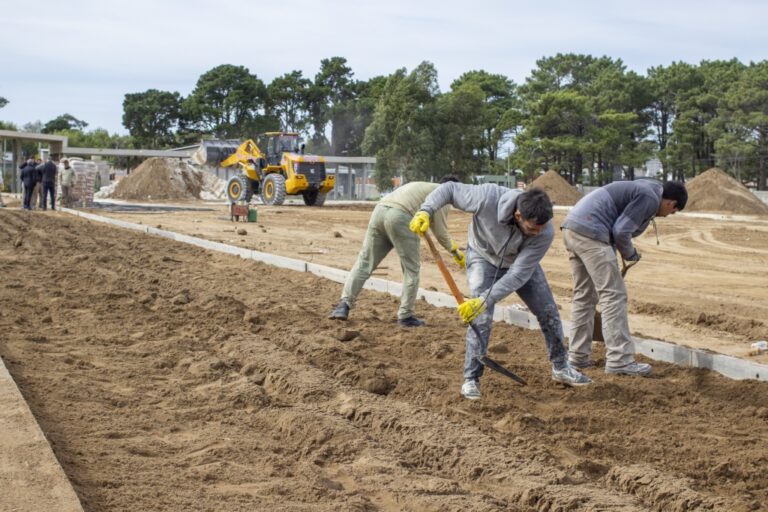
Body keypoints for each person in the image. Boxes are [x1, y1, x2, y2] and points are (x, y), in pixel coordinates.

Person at [411, 184, 591, 400]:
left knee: (548, 311)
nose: (538, 232)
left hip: (519, 265)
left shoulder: (545, 232)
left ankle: (561, 367)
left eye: (542, 227)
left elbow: (517, 276)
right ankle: (471, 379)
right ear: (518, 215)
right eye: (533, 228)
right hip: (482, 256)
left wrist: (484, 299)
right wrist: (426, 210)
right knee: (481, 318)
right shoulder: (486, 197)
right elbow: (449, 190)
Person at [561, 180, 687, 376]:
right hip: (592, 232)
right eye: (672, 211)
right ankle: (620, 360)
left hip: (573, 227)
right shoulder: (649, 197)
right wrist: (630, 254)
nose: (668, 215)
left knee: (584, 296)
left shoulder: (643, 188)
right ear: (671, 203)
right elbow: (621, 230)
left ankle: (577, 356)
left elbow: (617, 227)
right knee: (614, 295)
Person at [328, 176, 465, 327]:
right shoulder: (443, 194)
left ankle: (343, 306)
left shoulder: (422, 184)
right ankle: (406, 315)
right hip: (401, 216)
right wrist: (455, 252)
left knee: (365, 262)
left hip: (380, 211)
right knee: (411, 269)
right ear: (454, 189)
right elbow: (441, 233)